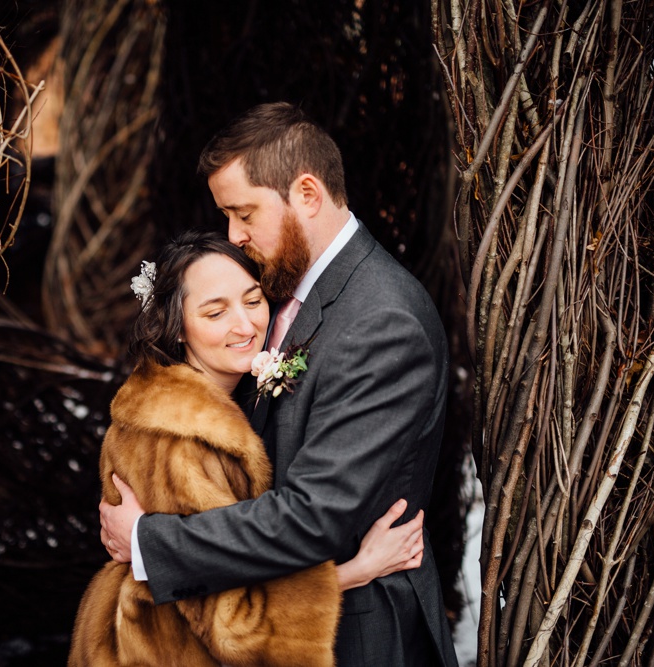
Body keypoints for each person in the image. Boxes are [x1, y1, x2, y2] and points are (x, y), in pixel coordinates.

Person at [100, 102, 460, 666]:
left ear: (308, 194)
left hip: (356, 635)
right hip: (277, 622)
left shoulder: (382, 322)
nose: (233, 235)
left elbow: (315, 515)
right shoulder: (280, 293)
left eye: (243, 214)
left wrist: (151, 543)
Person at [69, 232, 426, 666]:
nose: (244, 326)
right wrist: (356, 572)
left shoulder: (218, 401)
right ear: (178, 327)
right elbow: (234, 626)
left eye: (253, 301)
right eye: (216, 312)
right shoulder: (175, 441)